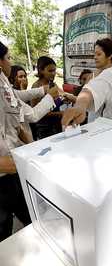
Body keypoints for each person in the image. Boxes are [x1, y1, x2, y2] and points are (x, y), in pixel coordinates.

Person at [0, 41, 59, 241]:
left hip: (13, 164)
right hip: (5, 167)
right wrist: (49, 98)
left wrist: (43, 92)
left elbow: (15, 95)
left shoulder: (3, 82)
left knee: (28, 212)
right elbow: (32, 114)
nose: (11, 62)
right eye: (8, 58)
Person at [31, 56, 64, 139]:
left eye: (54, 70)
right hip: (45, 128)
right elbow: (36, 112)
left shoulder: (53, 84)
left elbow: (64, 95)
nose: (53, 73)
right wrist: (61, 113)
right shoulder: (36, 87)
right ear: (41, 70)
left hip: (57, 125)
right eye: (50, 71)